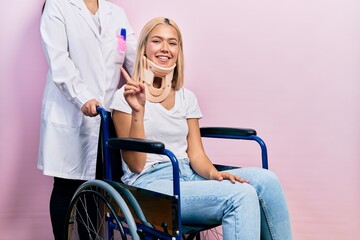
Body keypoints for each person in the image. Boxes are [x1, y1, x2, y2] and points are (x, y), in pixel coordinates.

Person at [110, 17, 293, 240]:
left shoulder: (186, 97)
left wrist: (215, 175)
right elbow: (136, 166)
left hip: (189, 174)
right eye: (157, 41)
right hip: (150, 184)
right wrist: (138, 111)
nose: (165, 49)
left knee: (267, 181)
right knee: (241, 196)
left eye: (172, 43)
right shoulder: (124, 98)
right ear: (144, 49)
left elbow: (196, 153)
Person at [38, 0, 136, 239]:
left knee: (96, 189)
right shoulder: (57, 6)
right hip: (69, 110)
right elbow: (59, 61)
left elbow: (133, 56)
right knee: (66, 188)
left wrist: (157, 85)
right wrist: (84, 97)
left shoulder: (117, 14)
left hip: (106, 119)